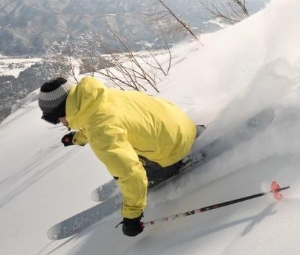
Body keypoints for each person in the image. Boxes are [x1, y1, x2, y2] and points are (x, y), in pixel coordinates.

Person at [38, 76, 197, 237]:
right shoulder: (97, 96)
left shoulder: (100, 131)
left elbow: (132, 174)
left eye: (53, 119)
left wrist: (132, 217)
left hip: (174, 149)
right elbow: (101, 120)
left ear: (62, 110)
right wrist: (77, 138)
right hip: (181, 125)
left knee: (129, 170)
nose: (59, 123)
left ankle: (167, 168)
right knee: (122, 154)